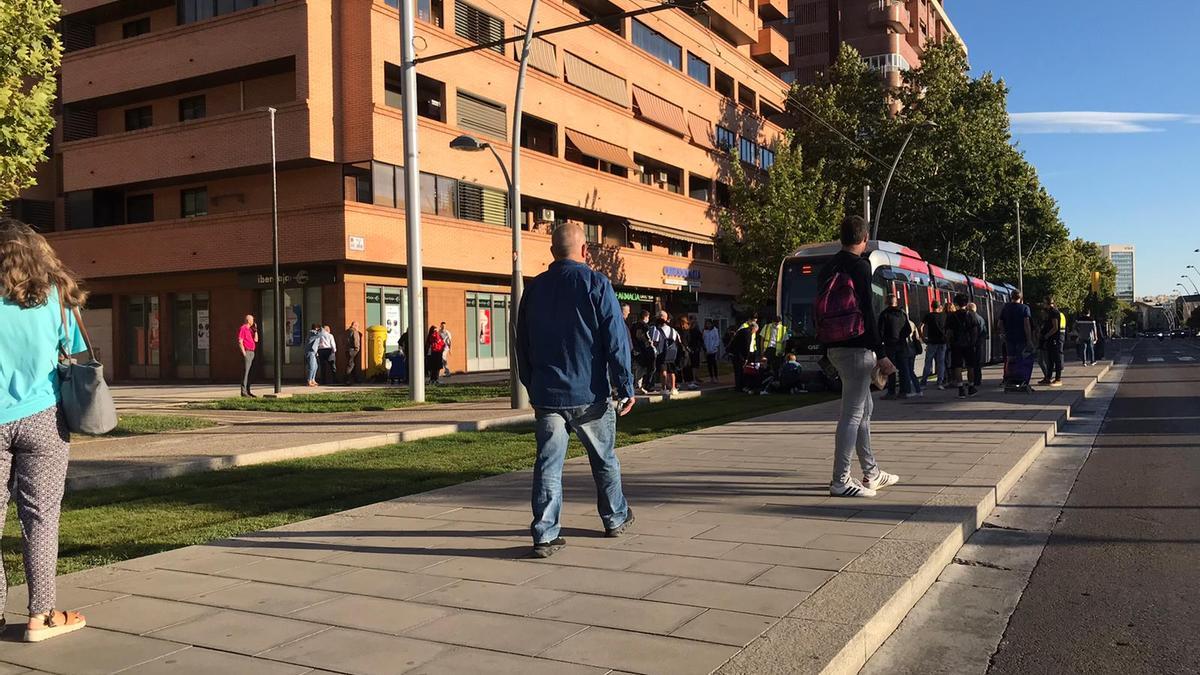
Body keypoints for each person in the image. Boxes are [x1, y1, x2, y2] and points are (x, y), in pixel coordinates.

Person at [515, 223, 635, 559]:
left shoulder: (534, 290)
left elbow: (521, 343)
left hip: (548, 395)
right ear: (585, 251)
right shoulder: (596, 283)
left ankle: (544, 533)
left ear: (553, 252)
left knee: (548, 464)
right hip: (590, 393)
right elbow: (615, 338)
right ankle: (614, 517)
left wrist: (532, 383)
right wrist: (625, 384)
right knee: (604, 459)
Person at [0, 218, 90, 642]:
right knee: (40, 517)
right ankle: (42, 616)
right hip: (43, 416)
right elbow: (71, 350)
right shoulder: (55, 297)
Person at [816, 215, 898, 498]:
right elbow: (868, 314)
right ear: (863, 240)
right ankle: (840, 480)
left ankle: (872, 472)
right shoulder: (860, 267)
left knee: (864, 410)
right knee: (852, 414)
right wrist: (882, 353)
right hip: (857, 348)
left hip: (835, 347)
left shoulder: (827, 267)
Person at [878, 294, 919, 399]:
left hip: (890, 345)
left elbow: (880, 332)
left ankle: (891, 392)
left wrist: (884, 340)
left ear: (886, 302)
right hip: (901, 344)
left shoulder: (884, 314)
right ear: (896, 302)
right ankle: (903, 391)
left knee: (891, 369)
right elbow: (908, 330)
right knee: (903, 368)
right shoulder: (902, 314)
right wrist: (901, 337)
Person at [945, 293, 981, 398]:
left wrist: (948, 342)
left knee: (957, 366)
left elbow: (949, 332)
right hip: (969, 344)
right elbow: (975, 331)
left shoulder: (951, 316)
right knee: (970, 366)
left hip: (956, 344)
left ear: (956, 303)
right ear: (966, 303)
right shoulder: (971, 315)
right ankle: (971, 387)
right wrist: (973, 342)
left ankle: (960, 389)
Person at [650, 310, 681, 396]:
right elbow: (677, 340)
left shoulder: (657, 330)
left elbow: (655, 341)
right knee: (672, 371)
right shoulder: (673, 330)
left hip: (662, 353)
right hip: (672, 353)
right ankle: (673, 388)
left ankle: (664, 388)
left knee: (663, 371)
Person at [920, 300, 948, 389]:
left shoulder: (928, 316)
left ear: (932, 306)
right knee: (941, 362)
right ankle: (940, 382)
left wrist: (923, 337)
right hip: (942, 342)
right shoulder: (944, 316)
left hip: (932, 342)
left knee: (928, 362)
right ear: (940, 307)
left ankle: (924, 382)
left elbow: (920, 326)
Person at [1038, 297, 1065, 387]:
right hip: (1050, 339)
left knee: (1056, 359)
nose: (1043, 305)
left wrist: (1046, 336)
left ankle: (1058, 379)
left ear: (1048, 303)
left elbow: (1055, 327)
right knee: (1049, 360)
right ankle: (1048, 378)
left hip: (1054, 339)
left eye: (1044, 303)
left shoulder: (1054, 312)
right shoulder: (1049, 312)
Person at [728, 320, 758, 392]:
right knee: (740, 371)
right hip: (739, 354)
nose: (755, 333)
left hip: (735, 352)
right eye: (755, 331)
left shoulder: (743, 330)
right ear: (753, 329)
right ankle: (740, 387)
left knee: (737, 371)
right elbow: (746, 346)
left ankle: (738, 386)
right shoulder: (748, 333)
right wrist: (746, 358)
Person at [630, 310, 656, 394]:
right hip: (643, 351)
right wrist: (651, 345)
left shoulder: (633, 326)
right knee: (642, 369)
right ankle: (638, 386)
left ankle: (637, 385)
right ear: (645, 317)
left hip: (635, 349)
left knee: (636, 368)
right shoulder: (644, 326)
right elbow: (646, 339)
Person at [967, 302, 988, 388]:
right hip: (979, 343)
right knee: (977, 362)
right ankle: (977, 380)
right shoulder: (981, 318)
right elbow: (984, 332)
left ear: (969, 309)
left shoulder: (970, 318)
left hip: (973, 343)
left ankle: (974, 381)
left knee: (972, 363)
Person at [238, 314, 259, 397]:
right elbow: (240, 341)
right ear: (248, 320)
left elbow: (256, 340)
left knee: (251, 373)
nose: (253, 321)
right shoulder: (243, 328)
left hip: (252, 352)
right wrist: (244, 353)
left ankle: (248, 390)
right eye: (252, 320)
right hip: (247, 352)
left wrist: (256, 330)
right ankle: (243, 392)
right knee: (246, 372)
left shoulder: (250, 330)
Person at [683, 315, 704, 390]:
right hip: (690, 347)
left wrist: (701, 347)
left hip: (696, 347)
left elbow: (700, 338)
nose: (694, 321)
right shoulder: (688, 329)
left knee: (696, 363)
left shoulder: (697, 328)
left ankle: (695, 377)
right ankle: (692, 378)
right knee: (690, 364)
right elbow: (686, 338)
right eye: (693, 319)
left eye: (695, 319)